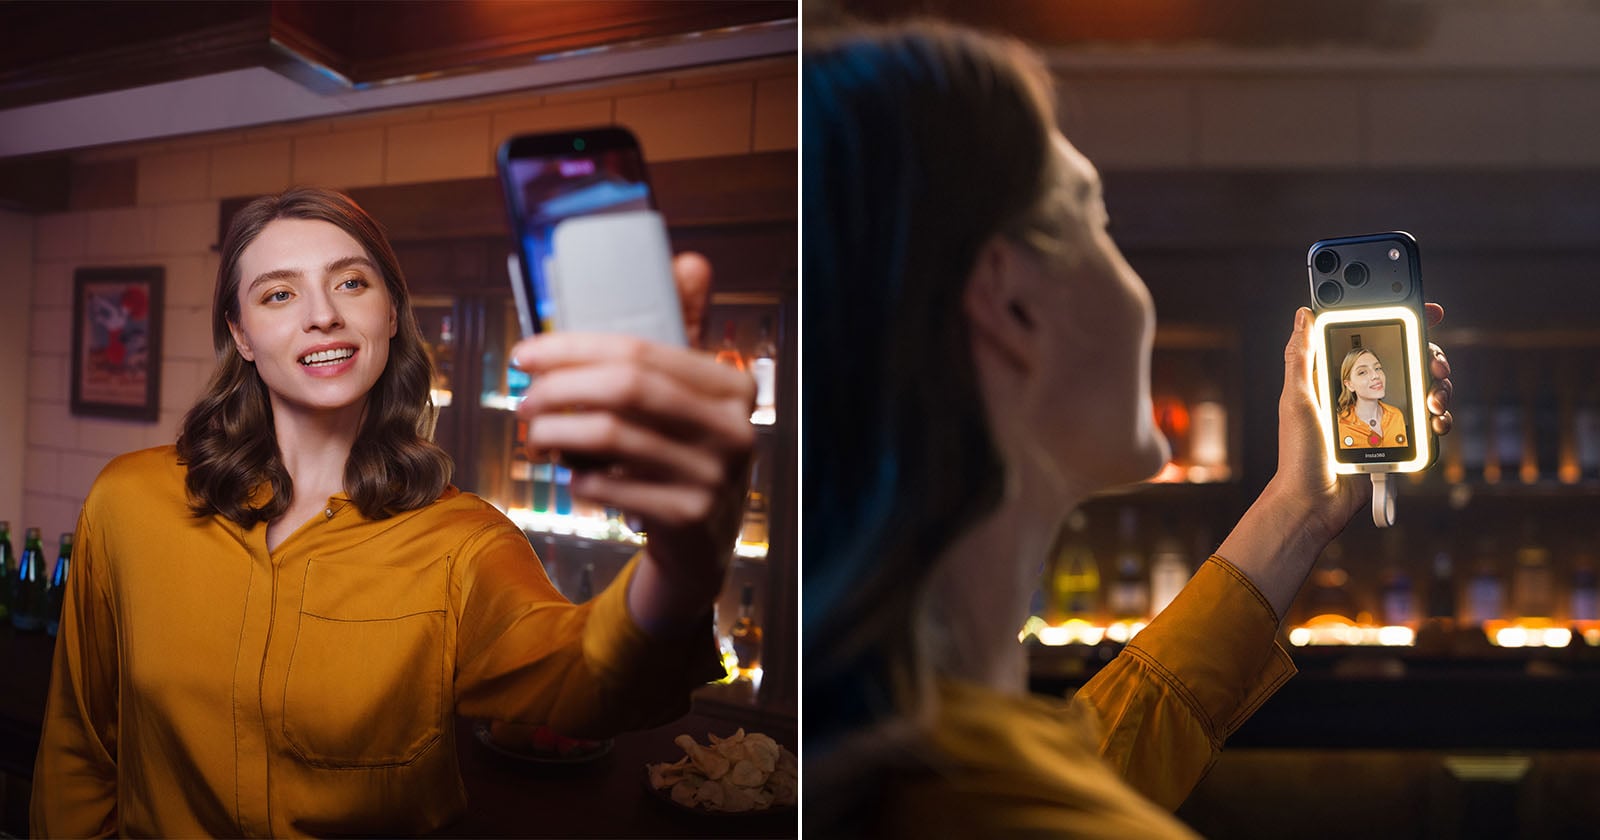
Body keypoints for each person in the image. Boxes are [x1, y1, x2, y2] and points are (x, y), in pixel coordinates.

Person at [802, 21, 1454, 838]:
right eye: (1097, 221)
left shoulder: (905, 744)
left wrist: (1298, 506)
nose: (1135, 283)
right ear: (1010, 305)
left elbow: (1088, 749)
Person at [31, 187, 755, 836]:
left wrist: (686, 555)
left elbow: (593, 682)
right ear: (242, 335)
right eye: (279, 295)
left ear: (390, 312)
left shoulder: (463, 541)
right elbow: (80, 747)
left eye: (351, 282)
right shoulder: (129, 501)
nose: (323, 315)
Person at [1337, 347, 1408, 448]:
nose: (1375, 375)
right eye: (1362, 372)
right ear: (1349, 385)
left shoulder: (1396, 415)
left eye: (1377, 368)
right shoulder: (1340, 425)